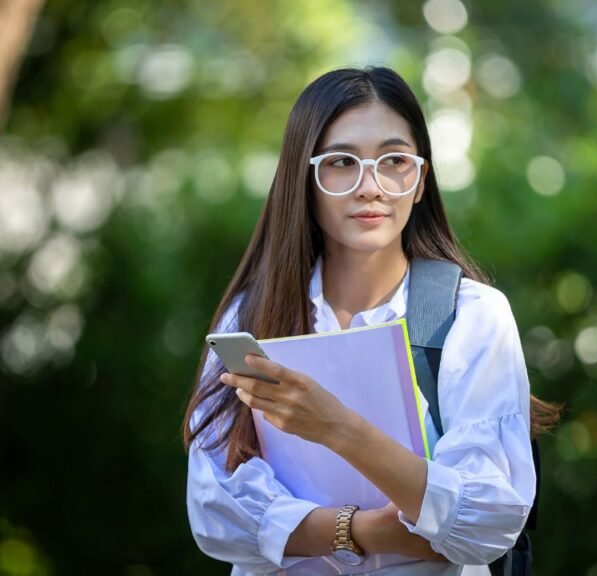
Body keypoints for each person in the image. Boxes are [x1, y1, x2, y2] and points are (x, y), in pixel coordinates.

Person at [181, 67, 559, 575]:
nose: (371, 187)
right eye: (341, 162)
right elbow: (216, 514)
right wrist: (364, 530)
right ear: (305, 181)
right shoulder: (251, 317)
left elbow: (486, 522)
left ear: (420, 180)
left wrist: (335, 428)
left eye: (394, 160)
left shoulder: (471, 316)